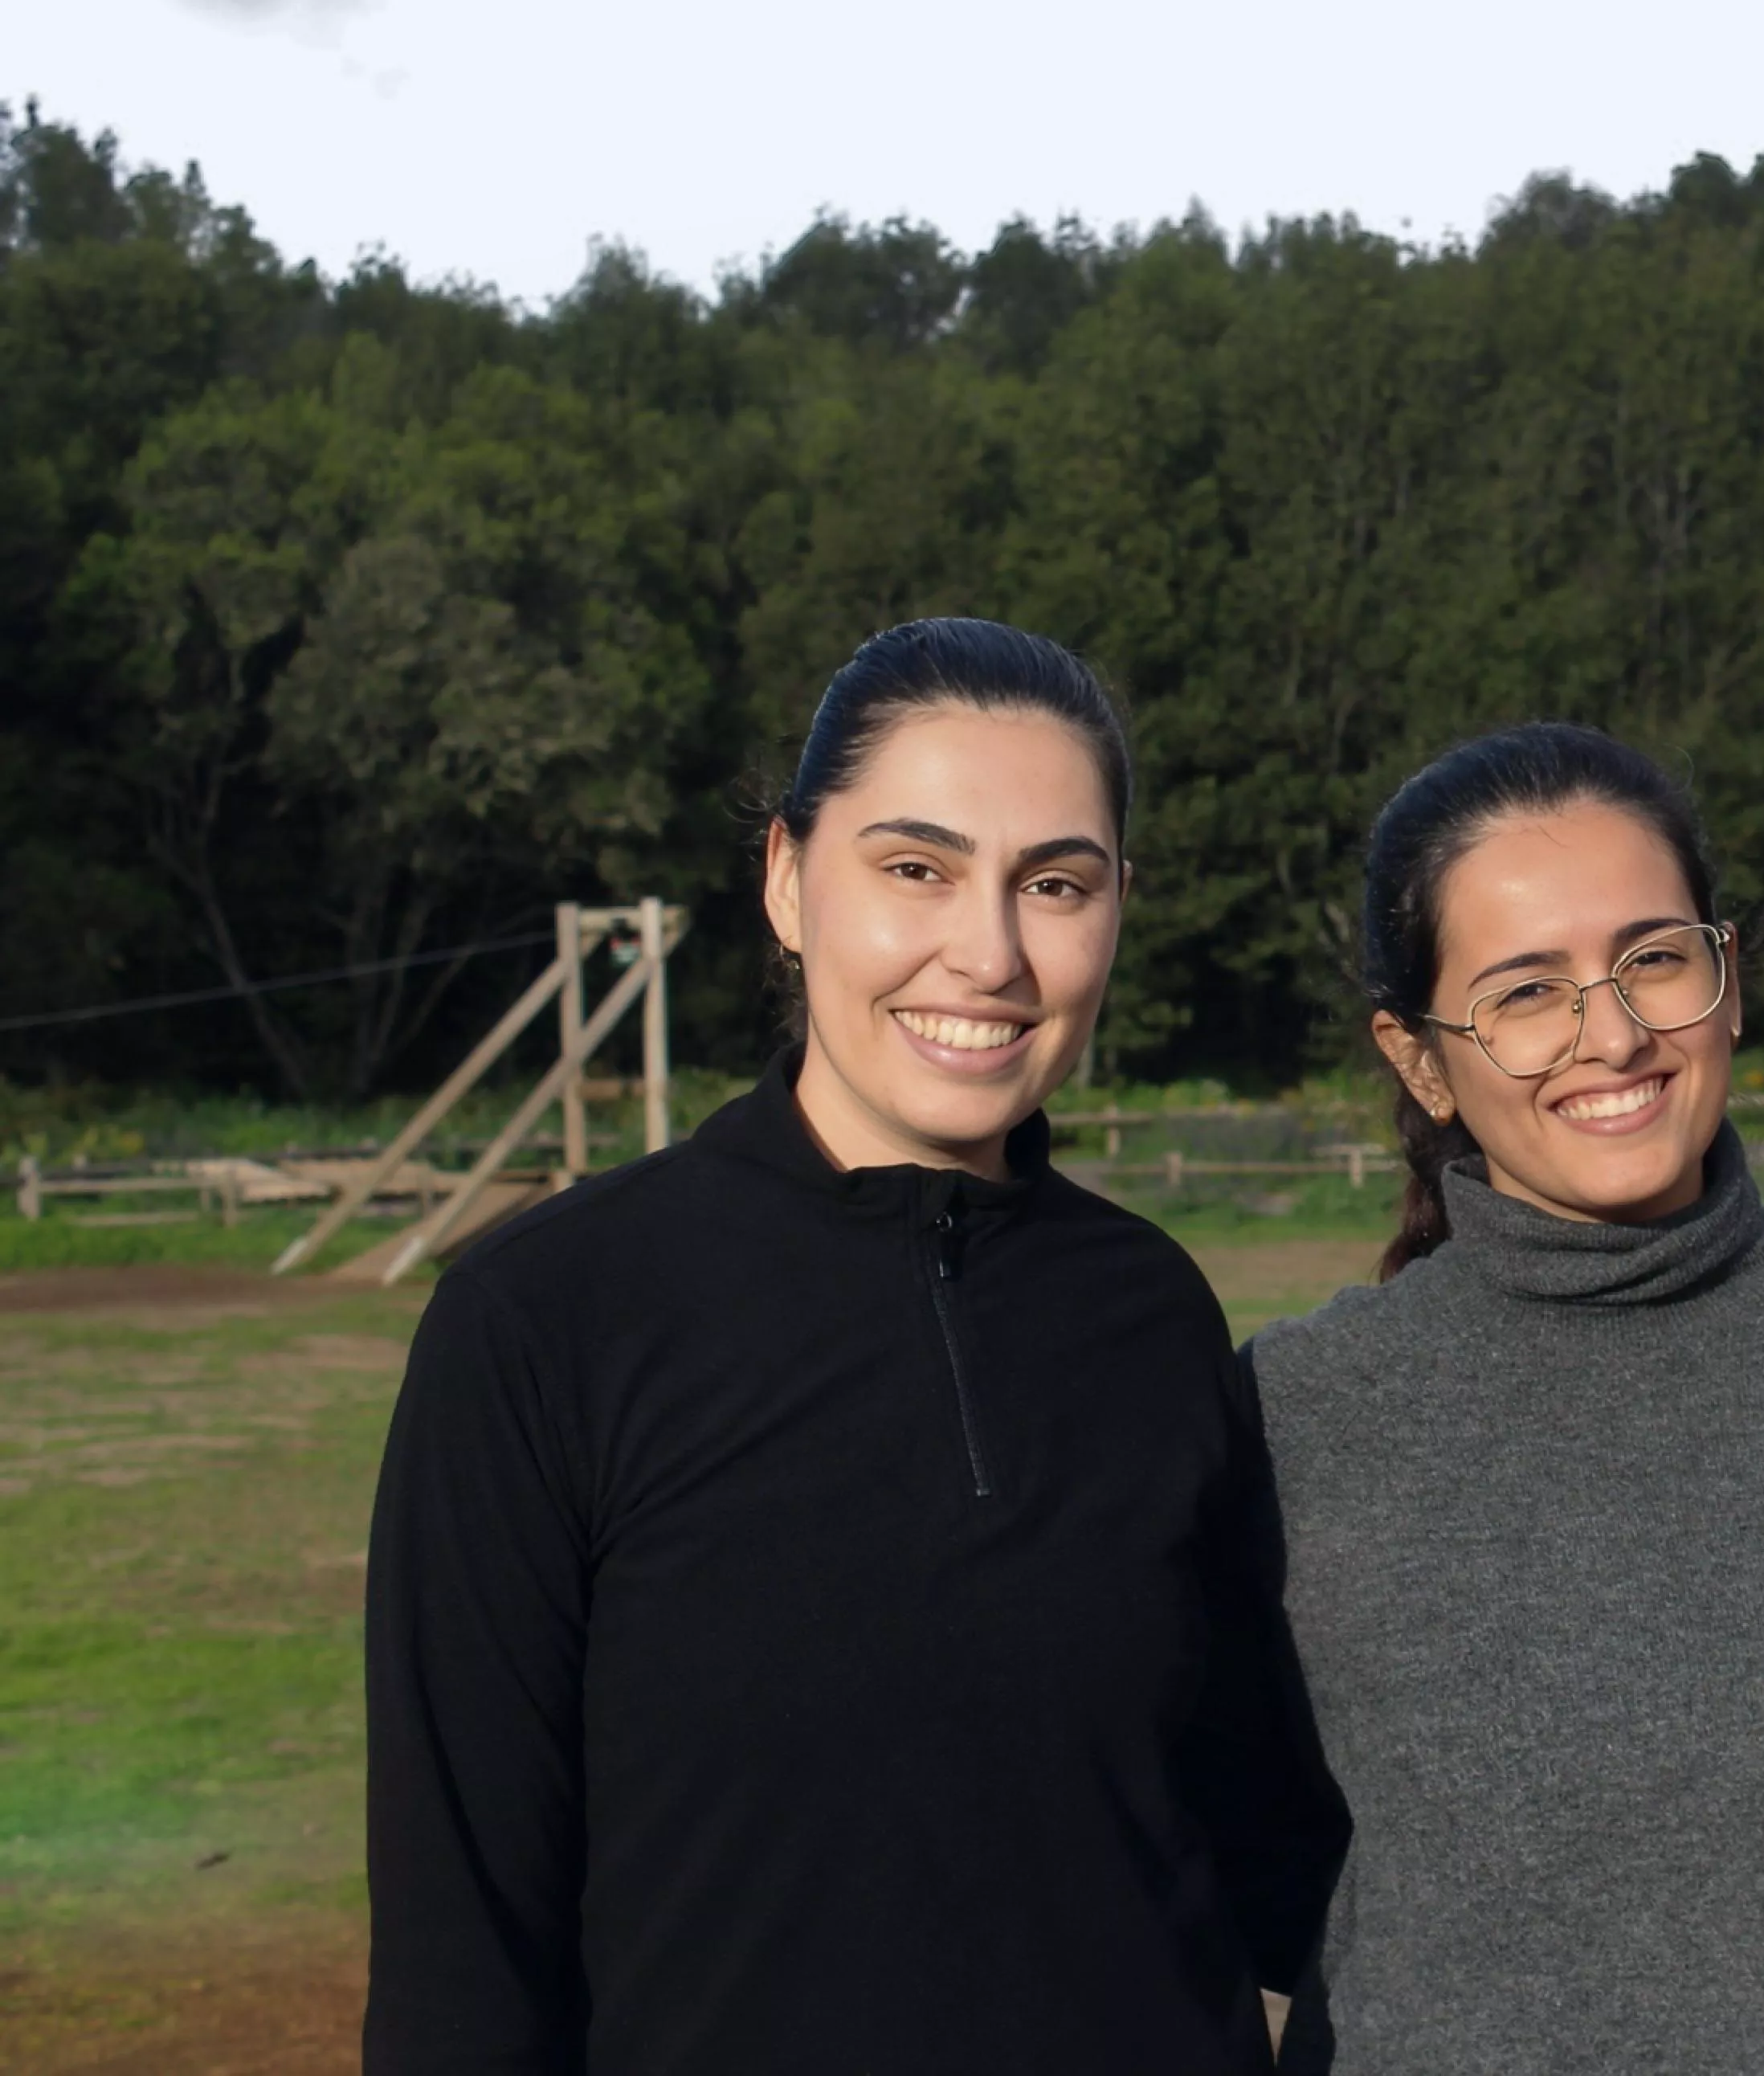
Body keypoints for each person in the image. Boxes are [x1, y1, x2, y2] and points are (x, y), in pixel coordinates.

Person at [364, 619, 1348, 2074]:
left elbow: (1264, 1844)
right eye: (916, 869)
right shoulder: (545, 1323)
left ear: (1119, 908)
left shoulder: (1153, 1315)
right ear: (785, 877)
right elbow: (465, 1958)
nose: (992, 952)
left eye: (1055, 885)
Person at [1247, 723, 1764, 2075]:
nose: (1613, 1034)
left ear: (1727, 977)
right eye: (1525, 992)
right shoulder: (1291, 1420)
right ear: (1418, 1058)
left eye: (1654, 960)